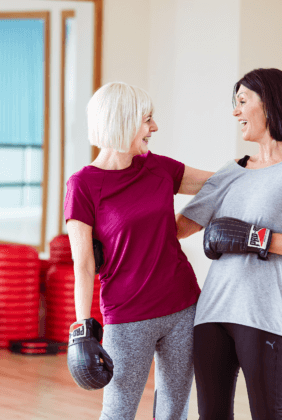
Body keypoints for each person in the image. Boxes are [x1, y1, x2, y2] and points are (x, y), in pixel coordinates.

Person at [176, 68, 282, 420]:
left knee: (267, 414)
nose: (235, 112)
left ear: (271, 104)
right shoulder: (232, 171)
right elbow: (179, 228)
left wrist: (255, 238)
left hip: (263, 311)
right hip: (213, 310)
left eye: (243, 102)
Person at [64, 81, 213, 420]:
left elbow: (222, 183)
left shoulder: (159, 168)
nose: (155, 128)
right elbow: (84, 265)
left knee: (174, 410)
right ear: (123, 122)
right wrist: (82, 326)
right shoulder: (83, 185)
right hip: (128, 315)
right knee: (118, 411)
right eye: (147, 120)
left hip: (184, 305)